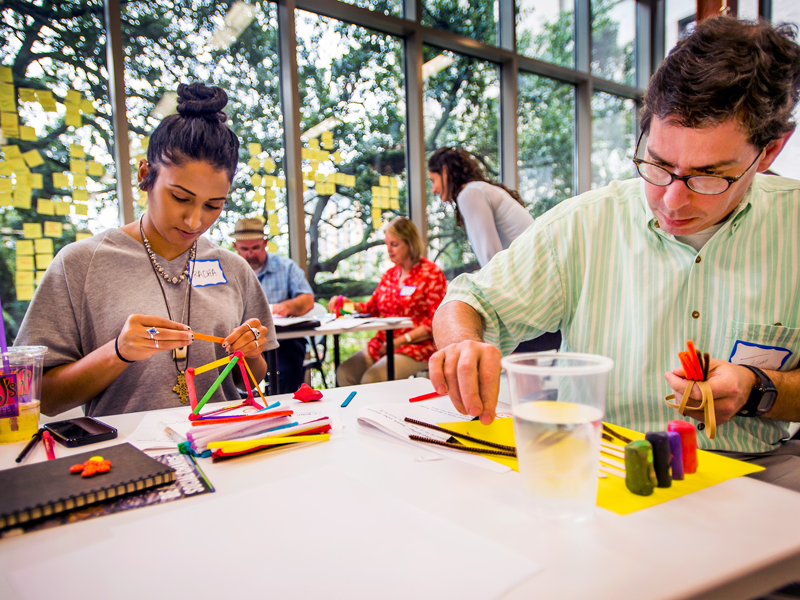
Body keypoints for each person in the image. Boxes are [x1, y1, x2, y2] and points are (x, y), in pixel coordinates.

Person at [429, 17, 800, 488]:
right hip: (604, 468)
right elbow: (469, 301)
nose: (671, 200)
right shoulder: (585, 223)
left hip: (759, 475)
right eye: (659, 165)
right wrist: (463, 345)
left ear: (769, 153)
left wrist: (759, 389)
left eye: (709, 176)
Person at [14, 83, 277, 417]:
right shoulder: (81, 263)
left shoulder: (233, 268)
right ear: (145, 175)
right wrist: (118, 352)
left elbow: (249, 379)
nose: (195, 221)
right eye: (180, 197)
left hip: (223, 445)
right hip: (125, 457)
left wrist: (251, 354)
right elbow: (44, 398)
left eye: (214, 205)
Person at [333, 217, 447, 385]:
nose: (389, 250)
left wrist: (399, 341)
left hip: (416, 347)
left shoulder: (431, 273)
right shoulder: (389, 275)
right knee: (345, 372)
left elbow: (435, 322)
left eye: (394, 244)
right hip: (384, 344)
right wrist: (346, 305)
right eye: (387, 244)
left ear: (410, 244)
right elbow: (369, 309)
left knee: (372, 379)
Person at [232, 217, 314, 393]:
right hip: (241, 341)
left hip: (283, 340)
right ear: (235, 247)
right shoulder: (228, 271)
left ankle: (283, 404)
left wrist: (287, 306)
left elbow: (307, 299)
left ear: (265, 243)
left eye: (256, 248)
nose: (250, 254)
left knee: (289, 361)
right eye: (244, 249)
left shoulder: (285, 267)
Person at [428, 147, 534, 268]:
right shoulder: (478, 189)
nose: (433, 190)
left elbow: (492, 262)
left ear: (445, 171)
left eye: (433, 180)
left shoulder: (470, 194)